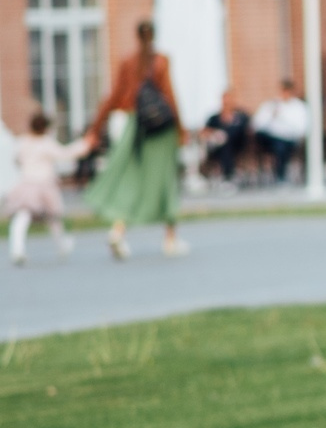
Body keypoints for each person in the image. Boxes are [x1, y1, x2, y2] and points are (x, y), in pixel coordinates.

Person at [85, 18, 185, 260]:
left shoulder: (128, 62)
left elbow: (113, 96)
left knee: (131, 181)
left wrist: (96, 127)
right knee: (165, 182)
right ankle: (170, 238)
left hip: (135, 127)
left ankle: (118, 230)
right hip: (160, 130)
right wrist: (181, 128)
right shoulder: (160, 61)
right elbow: (170, 96)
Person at [7, 111, 89, 265]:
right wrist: (84, 144)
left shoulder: (23, 142)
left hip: (27, 184)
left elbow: (17, 160)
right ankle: (62, 244)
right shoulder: (46, 143)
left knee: (23, 216)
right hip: (44, 184)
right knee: (53, 217)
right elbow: (65, 153)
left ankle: (17, 248)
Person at [253, 80, 311, 182]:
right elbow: (256, 124)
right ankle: (277, 174)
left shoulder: (299, 107)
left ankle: (280, 176)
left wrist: (282, 116)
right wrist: (271, 115)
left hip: (289, 139)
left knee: (280, 146)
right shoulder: (271, 104)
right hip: (269, 138)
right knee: (271, 142)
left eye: (287, 91)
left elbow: (301, 129)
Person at [201, 89, 254, 184]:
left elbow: (250, 129)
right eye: (225, 99)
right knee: (224, 144)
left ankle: (229, 175)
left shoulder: (241, 117)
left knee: (227, 140)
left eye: (229, 99)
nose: (227, 102)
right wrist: (215, 133)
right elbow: (204, 131)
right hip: (218, 147)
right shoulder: (214, 118)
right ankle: (228, 176)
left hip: (238, 146)